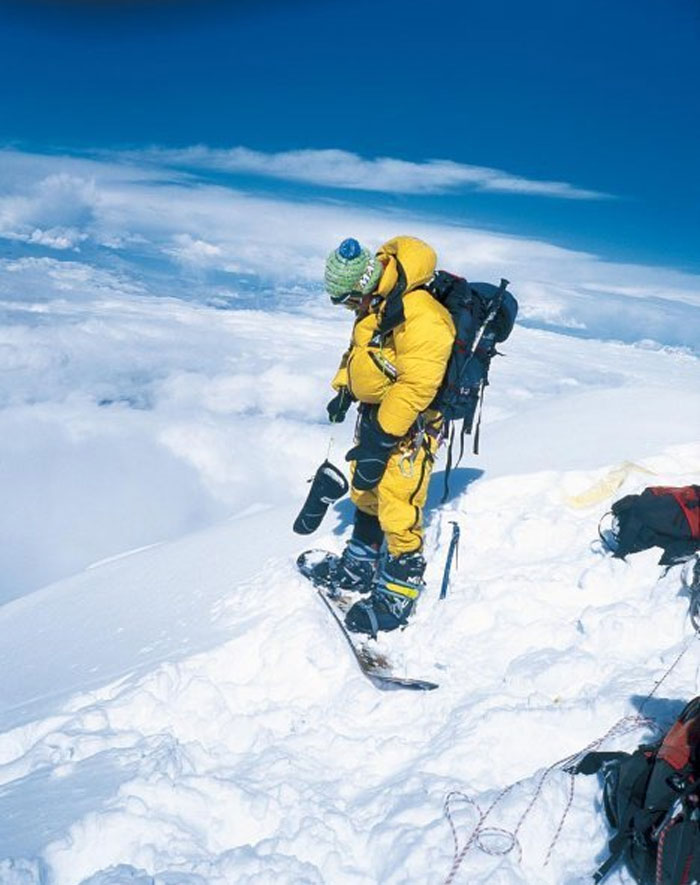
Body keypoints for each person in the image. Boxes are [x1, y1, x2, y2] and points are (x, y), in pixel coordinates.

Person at [312, 235, 455, 637]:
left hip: (411, 426)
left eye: (345, 300)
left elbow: (418, 385)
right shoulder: (377, 304)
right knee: (366, 491)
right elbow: (359, 353)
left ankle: (398, 592)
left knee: (398, 502)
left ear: (363, 285)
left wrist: (383, 437)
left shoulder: (421, 314)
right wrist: (344, 389)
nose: (345, 309)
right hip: (376, 415)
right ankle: (359, 564)